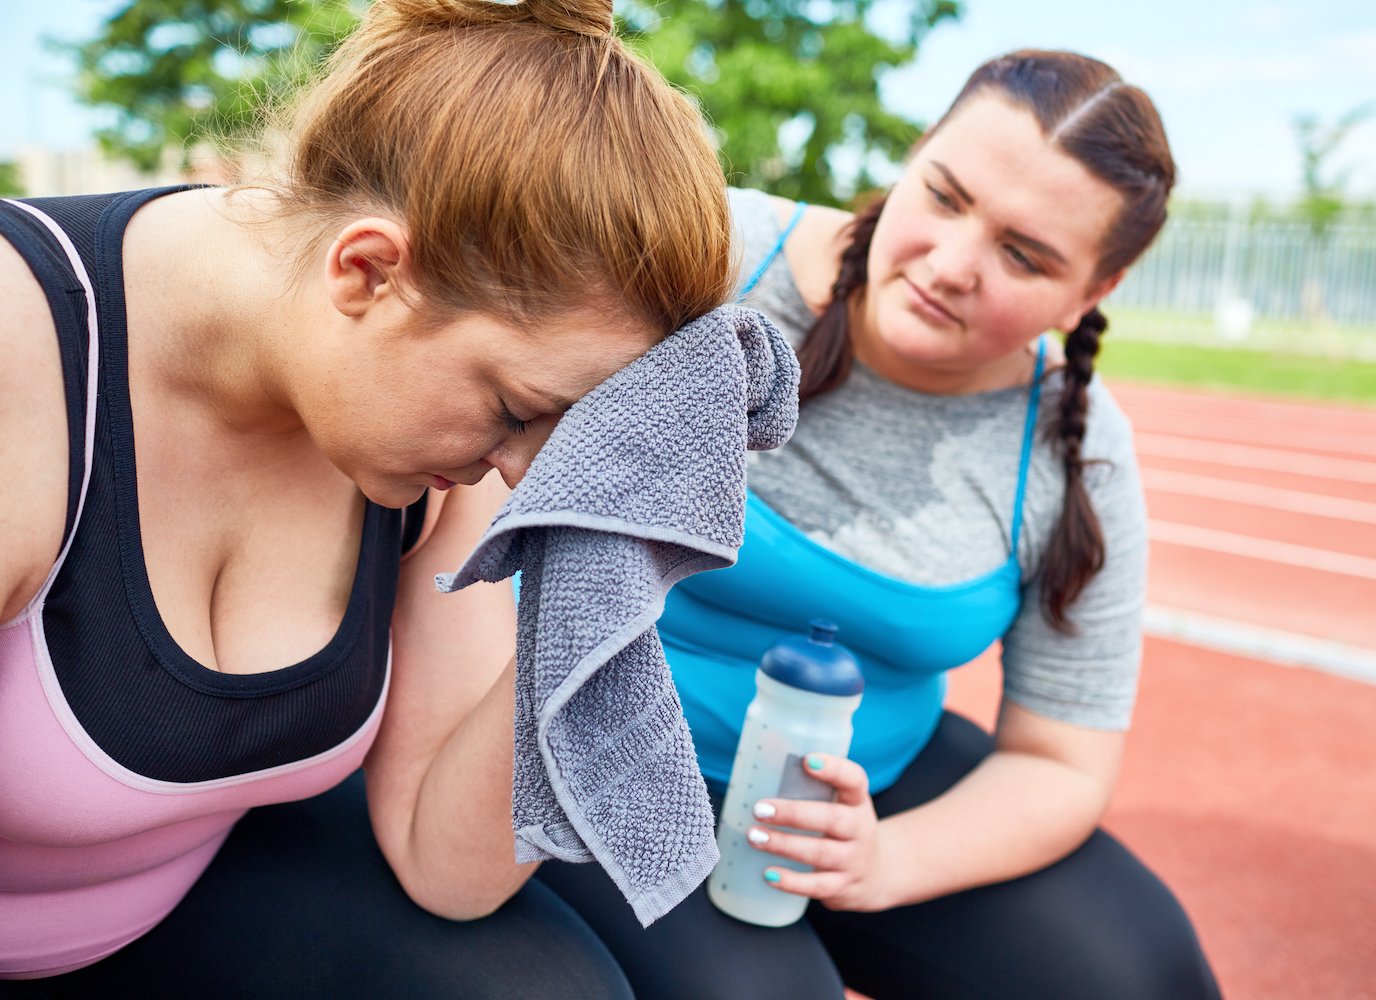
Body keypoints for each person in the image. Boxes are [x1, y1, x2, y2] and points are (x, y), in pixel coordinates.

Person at [0, 0, 734, 994]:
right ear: (369, 271)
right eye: (521, 412)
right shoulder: (25, 358)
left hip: (170, 913)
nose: (523, 472)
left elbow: (450, 869)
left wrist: (611, 548)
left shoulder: (428, 452)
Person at [535, 49, 1224, 998]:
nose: (950, 266)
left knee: (1138, 976)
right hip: (592, 747)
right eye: (942, 196)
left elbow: (1060, 761)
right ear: (913, 158)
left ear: (1091, 294)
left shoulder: (1076, 448)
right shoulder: (716, 252)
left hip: (857, 787)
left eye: (1023, 256)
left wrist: (883, 861)